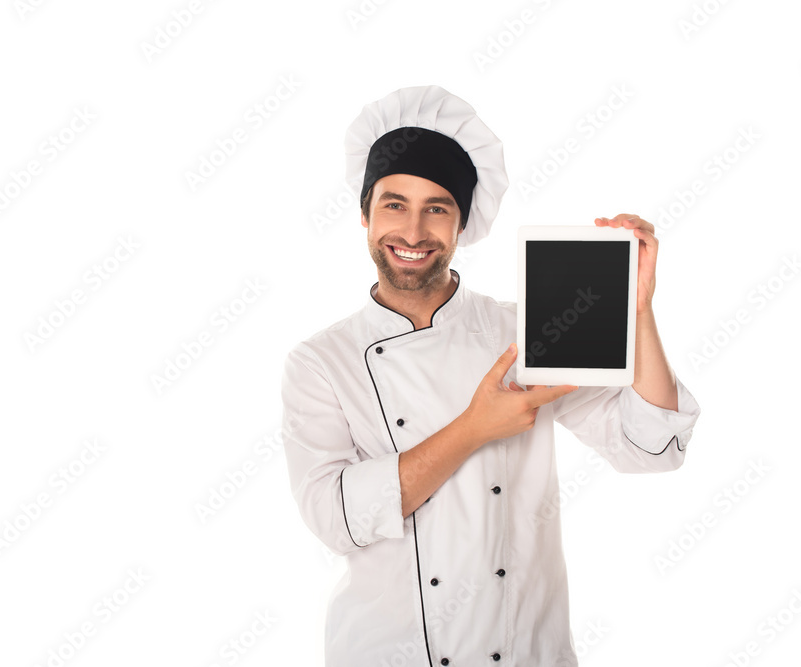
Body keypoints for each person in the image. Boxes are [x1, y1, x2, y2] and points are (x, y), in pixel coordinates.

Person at [279, 85, 701, 667]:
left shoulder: (528, 330)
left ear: (462, 225)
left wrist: (638, 311)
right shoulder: (321, 361)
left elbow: (654, 447)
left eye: (437, 208)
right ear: (364, 215)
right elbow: (336, 519)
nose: (412, 231)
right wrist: (477, 427)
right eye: (394, 204)